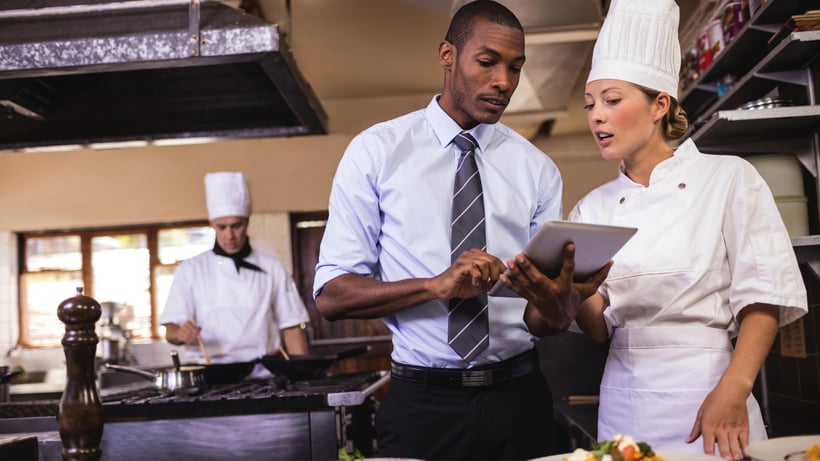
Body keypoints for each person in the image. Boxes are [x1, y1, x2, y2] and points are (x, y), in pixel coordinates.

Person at [312, 1, 609, 459]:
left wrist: (560, 306)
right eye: (488, 62)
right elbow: (332, 296)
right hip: (421, 405)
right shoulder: (376, 152)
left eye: (515, 67)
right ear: (447, 55)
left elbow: (540, 321)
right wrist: (436, 285)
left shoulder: (537, 170)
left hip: (520, 399)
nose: (504, 82)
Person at [570, 0, 809, 459]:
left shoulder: (728, 178)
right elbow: (598, 329)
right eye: (590, 104)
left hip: (712, 393)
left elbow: (763, 296)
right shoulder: (591, 208)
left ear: (660, 104)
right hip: (623, 401)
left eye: (612, 100)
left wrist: (734, 390)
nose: (596, 115)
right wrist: (570, 289)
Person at [161, 171, 309, 373]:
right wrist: (181, 333)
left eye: (236, 226)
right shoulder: (190, 270)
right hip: (210, 373)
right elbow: (171, 331)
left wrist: (303, 374)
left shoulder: (272, 265)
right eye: (221, 227)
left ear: (247, 223)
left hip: (262, 372)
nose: (229, 235)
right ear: (212, 225)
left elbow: (291, 326)